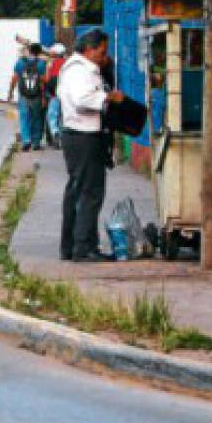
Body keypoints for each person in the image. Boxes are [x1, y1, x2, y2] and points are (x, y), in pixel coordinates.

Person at [58, 29, 124, 262]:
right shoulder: (79, 70)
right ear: (88, 49)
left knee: (77, 192)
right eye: (102, 52)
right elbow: (82, 100)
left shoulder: (78, 68)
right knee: (90, 192)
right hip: (83, 136)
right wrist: (107, 98)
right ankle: (84, 248)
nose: (104, 57)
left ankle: (71, 245)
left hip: (80, 136)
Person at [8, 43, 46, 151]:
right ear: (39, 52)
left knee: (24, 118)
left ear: (29, 51)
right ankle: (36, 142)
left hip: (23, 95)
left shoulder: (20, 63)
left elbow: (14, 79)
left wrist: (10, 92)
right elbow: (43, 82)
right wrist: (43, 97)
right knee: (37, 118)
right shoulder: (41, 64)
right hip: (37, 95)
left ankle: (26, 141)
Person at [44, 43, 67, 148]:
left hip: (54, 94)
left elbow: (48, 79)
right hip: (67, 95)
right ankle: (62, 137)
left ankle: (55, 133)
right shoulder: (68, 63)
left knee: (52, 115)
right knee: (63, 116)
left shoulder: (51, 63)